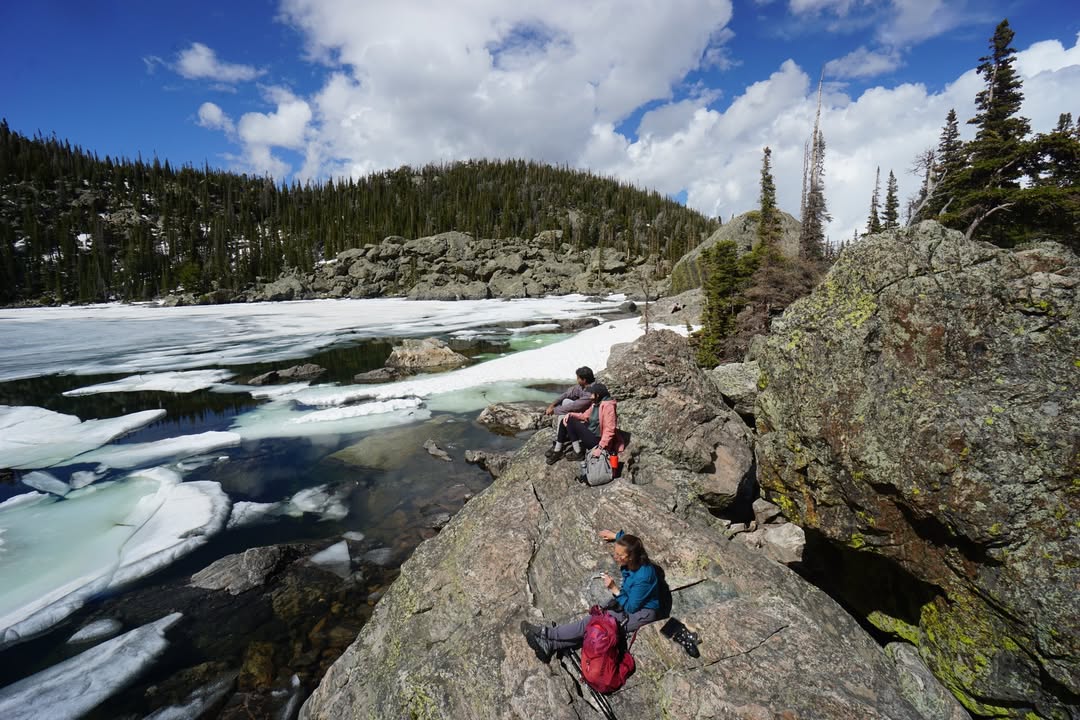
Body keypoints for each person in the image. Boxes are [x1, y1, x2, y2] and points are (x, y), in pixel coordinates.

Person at [521, 530, 660, 663]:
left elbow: (631, 607)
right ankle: (550, 646)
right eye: (615, 552)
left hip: (640, 614)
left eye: (619, 555)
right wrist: (615, 535)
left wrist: (614, 589)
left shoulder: (643, 577)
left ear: (631, 557)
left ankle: (546, 634)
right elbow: (629, 542)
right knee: (594, 626)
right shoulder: (633, 555)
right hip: (629, 601)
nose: (615, 557)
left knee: (594, 623)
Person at [545, 382, 625, 464]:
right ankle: (558, 449)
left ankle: (577, 452)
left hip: (597, 441)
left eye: (592, 394)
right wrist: (570, 414)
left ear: (598, 395)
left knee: (571, 421)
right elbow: (585, 416)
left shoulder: (608, 407)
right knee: (566, 419)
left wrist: (600, 448)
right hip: (592, 432)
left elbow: (610, 430)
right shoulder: (596, 403)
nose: (590, 396)